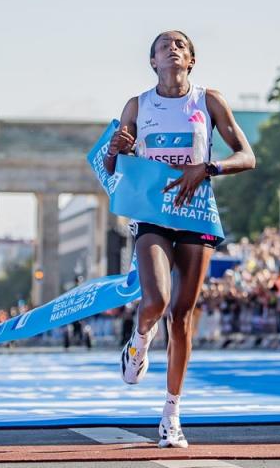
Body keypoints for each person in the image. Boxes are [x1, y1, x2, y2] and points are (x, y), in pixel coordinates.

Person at [104, 30, 255, 448]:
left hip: (196, 211)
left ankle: (171, 412)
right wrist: (117, 147)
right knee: (154, 300)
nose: (171, 50)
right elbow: (112, 165)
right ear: (152, 62)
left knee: (182, 315)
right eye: (162, 47)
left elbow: (247, 155)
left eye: (179, 46)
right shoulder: (138, 104)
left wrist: (208, 168)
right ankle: (138, 343)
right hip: (153, 212)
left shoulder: (209, 101)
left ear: (191, 60)